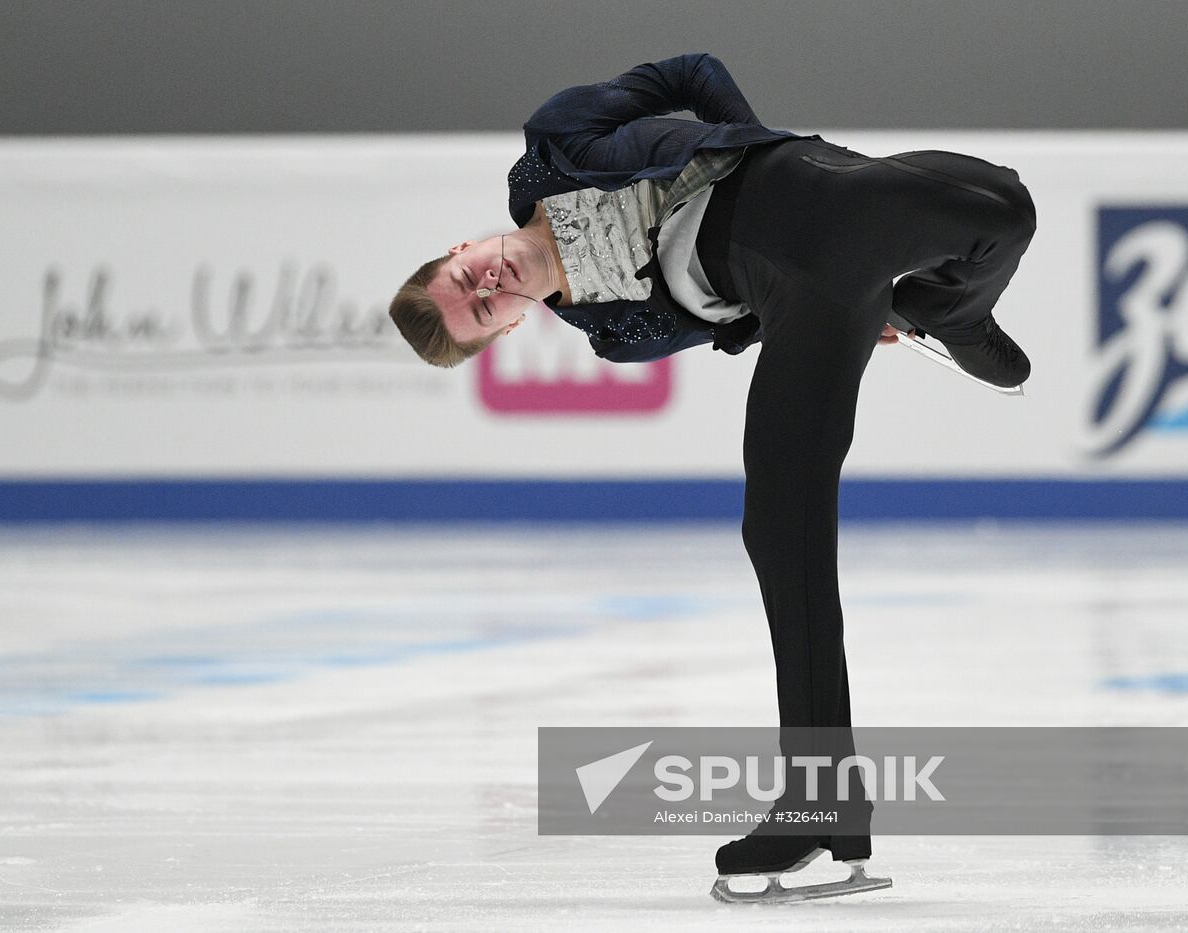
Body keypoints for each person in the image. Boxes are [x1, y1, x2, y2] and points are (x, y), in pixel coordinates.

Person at [389, 52, 1035, 903]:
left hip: (809, 186)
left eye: (465, 276)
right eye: (480, 309)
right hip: (806, 291)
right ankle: (819, 799)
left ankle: (937, 308)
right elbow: (737, 310)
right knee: (779, 522)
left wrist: (755, 150)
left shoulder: (555, 145)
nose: (487, 286)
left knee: (1007, 208)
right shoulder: (615, 332)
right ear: (503, 331)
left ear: (462, 247)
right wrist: (832, 319)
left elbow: (690, 73)